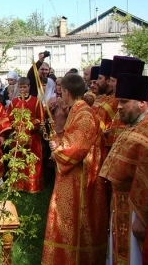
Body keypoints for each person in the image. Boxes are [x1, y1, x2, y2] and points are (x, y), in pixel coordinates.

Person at [42, 74, 108, 265]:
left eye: (61, 91)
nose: (60, 95)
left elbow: (77, 147)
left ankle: (74, 260)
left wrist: (58, 150)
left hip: (79, 179)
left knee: (72, 222)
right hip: (72, 175)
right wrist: (60, 143)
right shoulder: (76, 110)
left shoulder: (84, 114)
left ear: (67, 91)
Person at [99, 73, 148, 265]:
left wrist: (141, 217)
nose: (118, 106)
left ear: (142, 102)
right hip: (119, 203)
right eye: (118, 101)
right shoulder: (133, 125)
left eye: (124, 101)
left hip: (134, 209)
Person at [7, 77, 44, 193]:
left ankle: (32, 186)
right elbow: (9, 118)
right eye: (21, 87)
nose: (23, 89)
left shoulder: (36, 101)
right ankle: (18, 185)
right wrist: (17, 125)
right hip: (17, 137)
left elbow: (41, 118)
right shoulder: (13, 103)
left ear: (29, 87)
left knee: (32, 161)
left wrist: (29, 125)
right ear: (18, 87)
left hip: (32, 137)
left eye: (25, 87)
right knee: (17, 160)